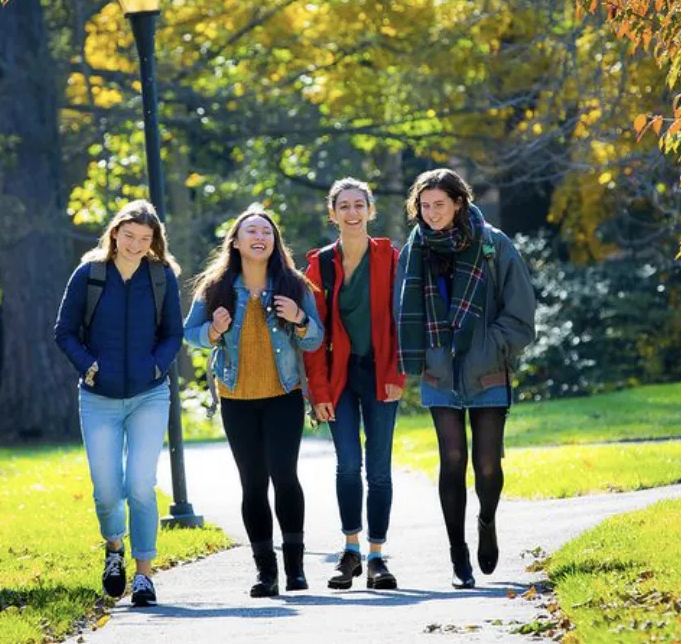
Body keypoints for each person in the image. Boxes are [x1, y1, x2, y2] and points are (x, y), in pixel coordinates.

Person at [395, 169, 536, 589]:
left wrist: (493, 343)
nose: (432, 213)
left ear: (459, 202)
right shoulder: (415, 249)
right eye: (425, 205)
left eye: (440, 204)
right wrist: (419, 356)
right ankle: (458, 554)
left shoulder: (493, 243)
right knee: (452, 459)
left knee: (487, 465)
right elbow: (401, 309)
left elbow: (521, 309)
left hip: (487, 367)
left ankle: (486, 521)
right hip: (440, 370)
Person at [183, 206, 325, 597]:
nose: (259, 236)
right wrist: (213, 329)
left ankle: (295, 569)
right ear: (236, 241)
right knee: (252, 484)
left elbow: (315, 339)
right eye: (251, 230)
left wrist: (300, 319)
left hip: (284, 395)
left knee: (284, 475)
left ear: (275, 241)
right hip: (237, 397)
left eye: (266, 230)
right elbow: (189, 333)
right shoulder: (215, 287)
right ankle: (266, 573)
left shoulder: (295, 285)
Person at [54, 200, 183, 607]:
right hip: (98, 399)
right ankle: (114, 551)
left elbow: (173, 334)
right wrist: (89, 367)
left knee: (140, 485)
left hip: (149, 394)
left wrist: (155, 368)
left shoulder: (161, 277)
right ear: (114, 233)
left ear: (153, 241)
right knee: (108, 489)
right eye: (128, 236)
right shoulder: (89, 275)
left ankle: (144, 576)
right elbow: (64, 332)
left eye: (144, 239)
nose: (135, 245)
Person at [302, 179, 406, 591]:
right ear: (333, 214)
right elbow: (313, 337)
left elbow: (402, 322)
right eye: (343, 206)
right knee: (348, 463)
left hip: (381, 373)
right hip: (340, 376)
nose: (351, 212)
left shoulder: (392, 257)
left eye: (358, 204)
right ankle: (350, 551)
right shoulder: (321, 264)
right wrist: (320, 392)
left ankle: (377, 556)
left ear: (370, 210)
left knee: (379, 469)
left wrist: (398, 375)